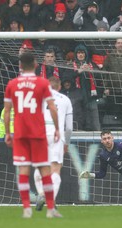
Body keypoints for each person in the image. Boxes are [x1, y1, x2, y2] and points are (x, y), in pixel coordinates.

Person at [3, 52, 61, 219]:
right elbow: (53, 107)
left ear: (20, 66)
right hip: (38, 132)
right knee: (44, 169)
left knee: (23, 170)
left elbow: (7, 111)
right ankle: (51, 209)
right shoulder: (42, 82)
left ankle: (26, 209)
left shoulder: (12, 84)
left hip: (20, 133)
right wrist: (57, 128)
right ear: (36, 64)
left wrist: (8, 132)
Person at [34, 76, 73, 211]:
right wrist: (66, 143)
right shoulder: (65, 100)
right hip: (57, 135)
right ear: (60, 87)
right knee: (55, 168)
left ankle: (41, 193)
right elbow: (69, 128)